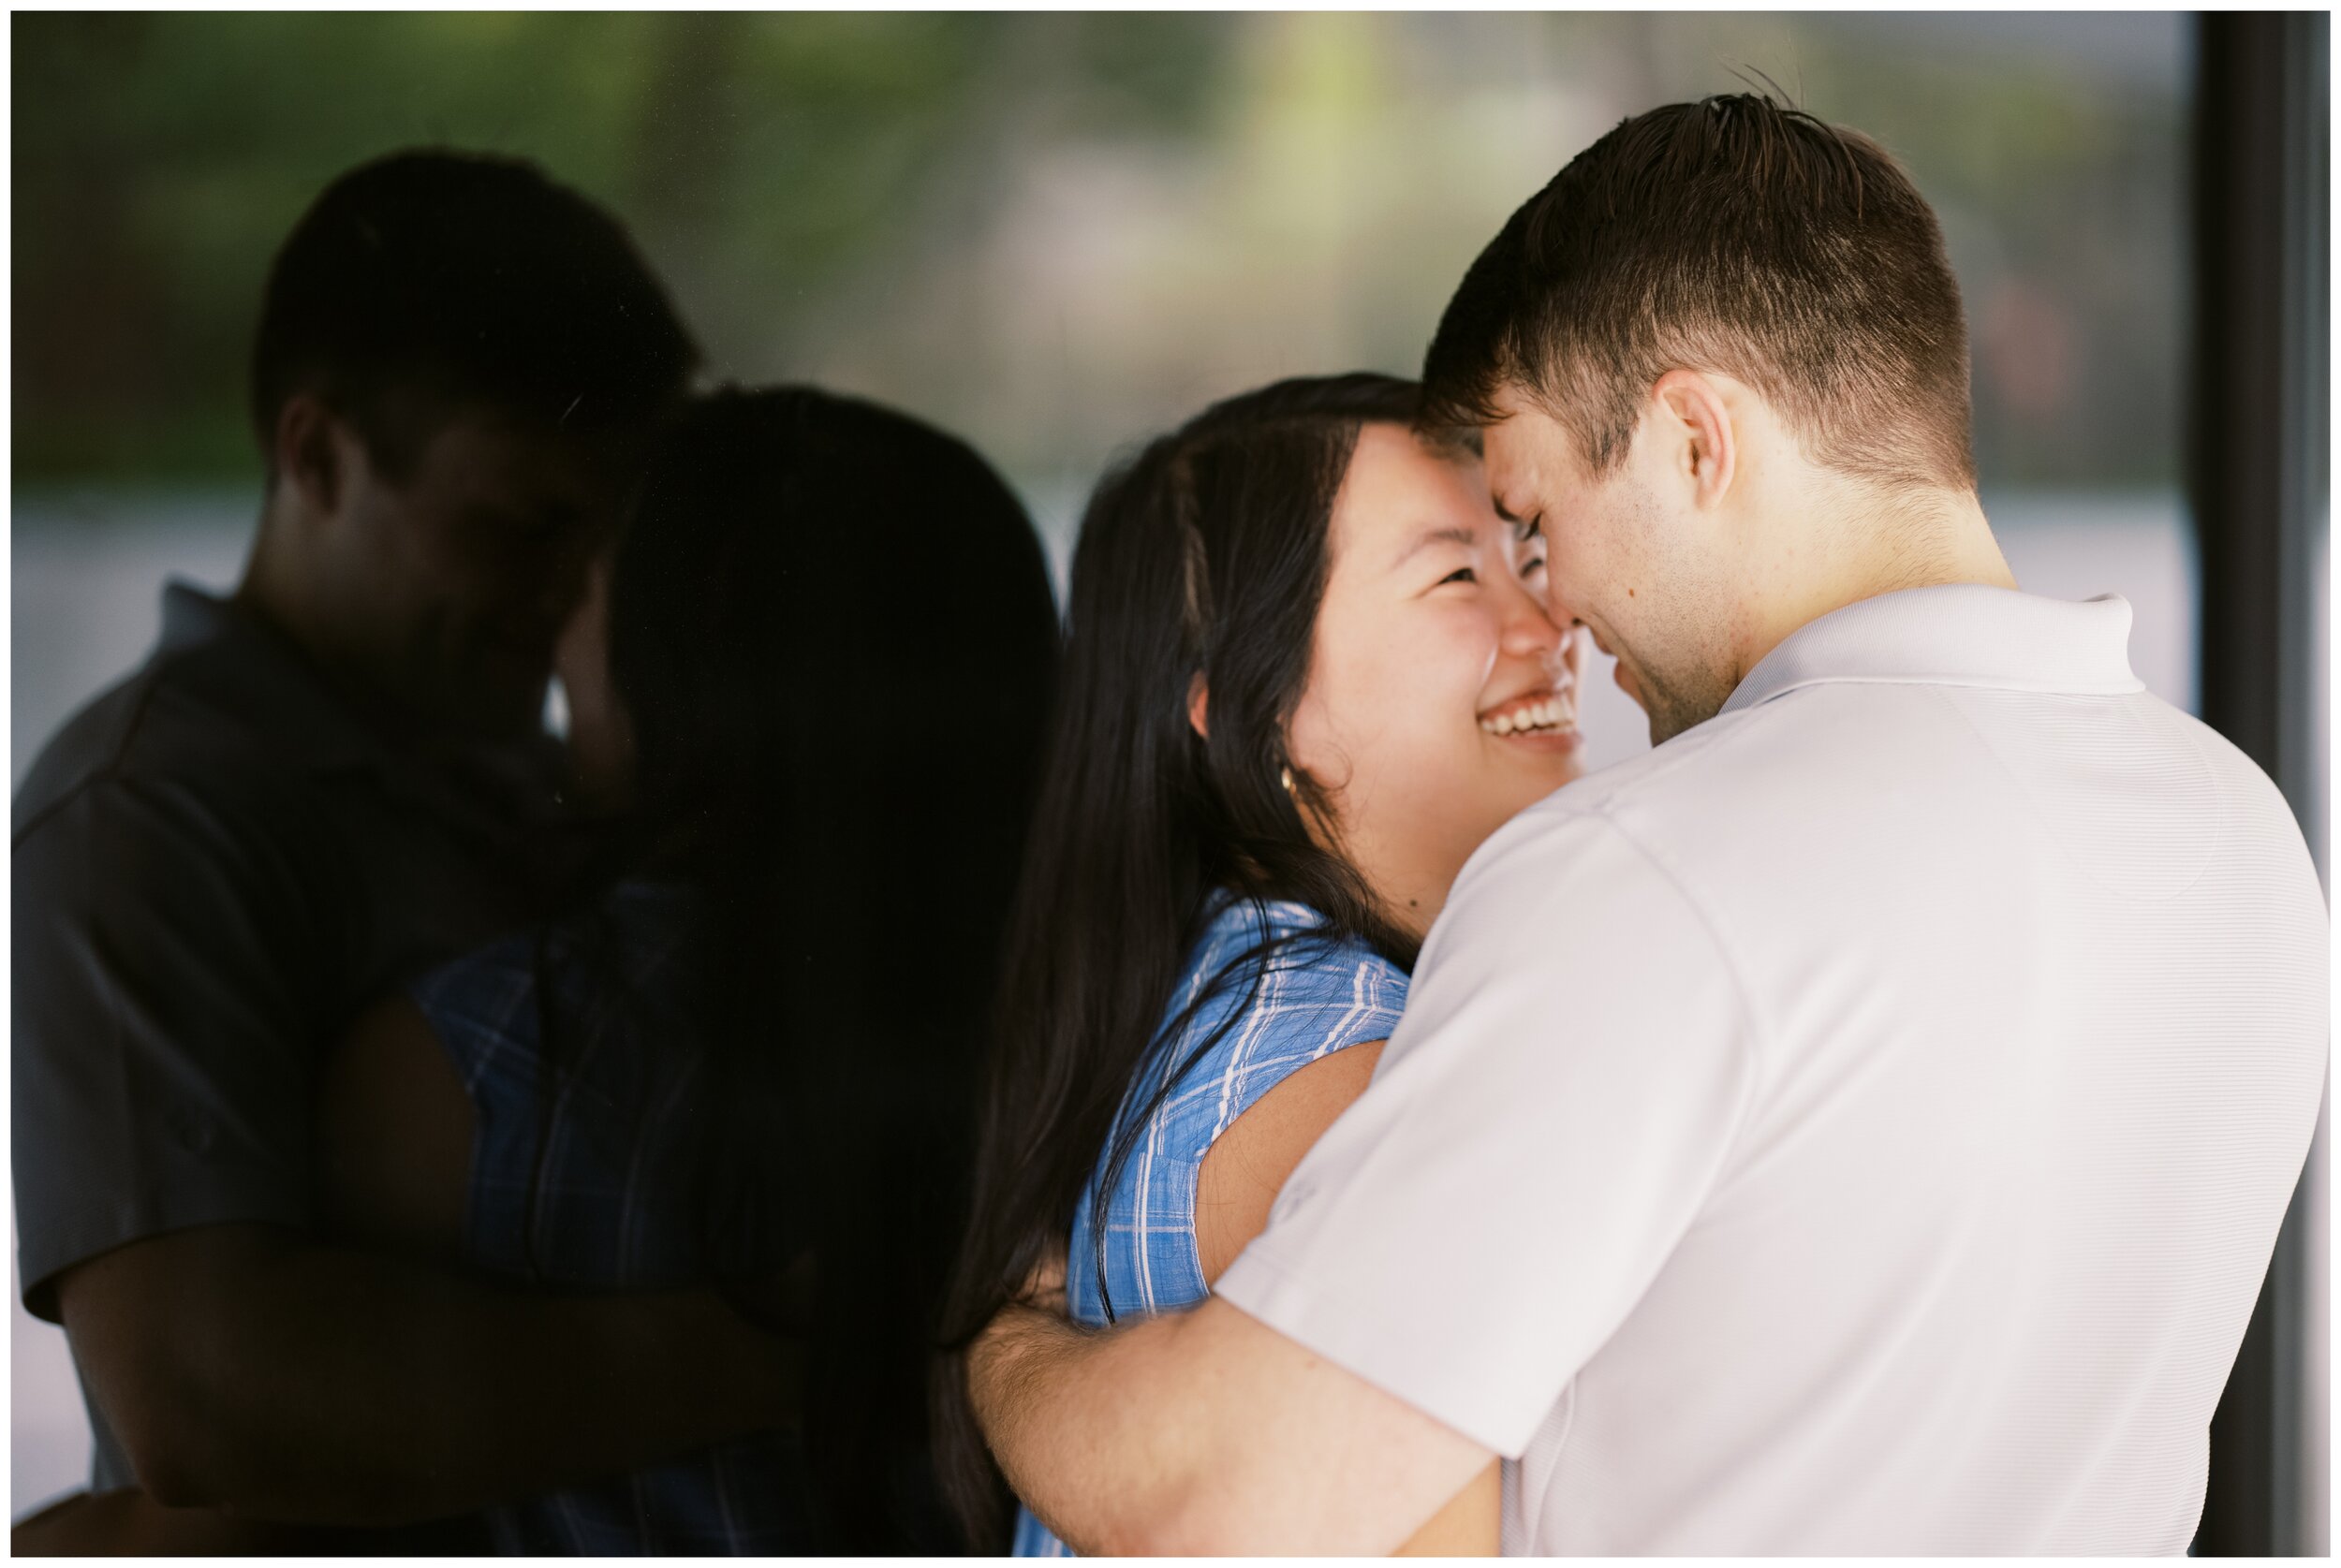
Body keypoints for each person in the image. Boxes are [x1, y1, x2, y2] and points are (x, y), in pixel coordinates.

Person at [965, 95, 2329, 1555]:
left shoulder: (1651, 868)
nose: (1556, 610)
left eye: (1537, 526)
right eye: (1476, 565)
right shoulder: (2250, 848)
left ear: (1694, 441)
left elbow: (1241, 1496)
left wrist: (1009, 1342)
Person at [11, 151, 797, 1553]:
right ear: (315, 455)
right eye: (524, 523)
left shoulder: (539, 762)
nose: (584, 591)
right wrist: (791, 1346)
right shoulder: (150, 818)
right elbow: (207, 1397)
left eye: (618, 536)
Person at [317, 385, 1063, 1554]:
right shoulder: (1122, 1016)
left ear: (679, 657)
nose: (558, 635)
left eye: (592, 589)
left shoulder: (459, 1068)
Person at [937, 373, 1585, 1555]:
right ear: (1253, 705)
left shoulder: (1215, 1000)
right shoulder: (1346, 1072)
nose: (1553, 632)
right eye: (1456, 577)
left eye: (1527, 565)